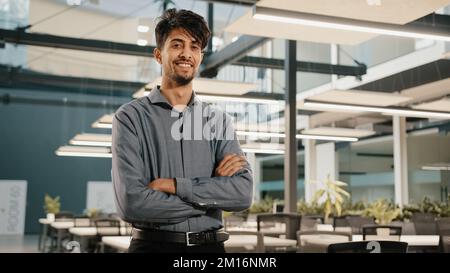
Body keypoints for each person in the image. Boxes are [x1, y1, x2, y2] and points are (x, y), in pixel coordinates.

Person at [111, 8, 253, 253]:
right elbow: (132, 204)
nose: (186, 53)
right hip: (153, 247)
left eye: (195, 46)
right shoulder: (130, 118)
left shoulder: (218, 121)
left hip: (210, 250)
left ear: (200, 56)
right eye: (177, 45)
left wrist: (176, 186)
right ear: (158, 55)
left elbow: (242, 193)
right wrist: (211, 199)